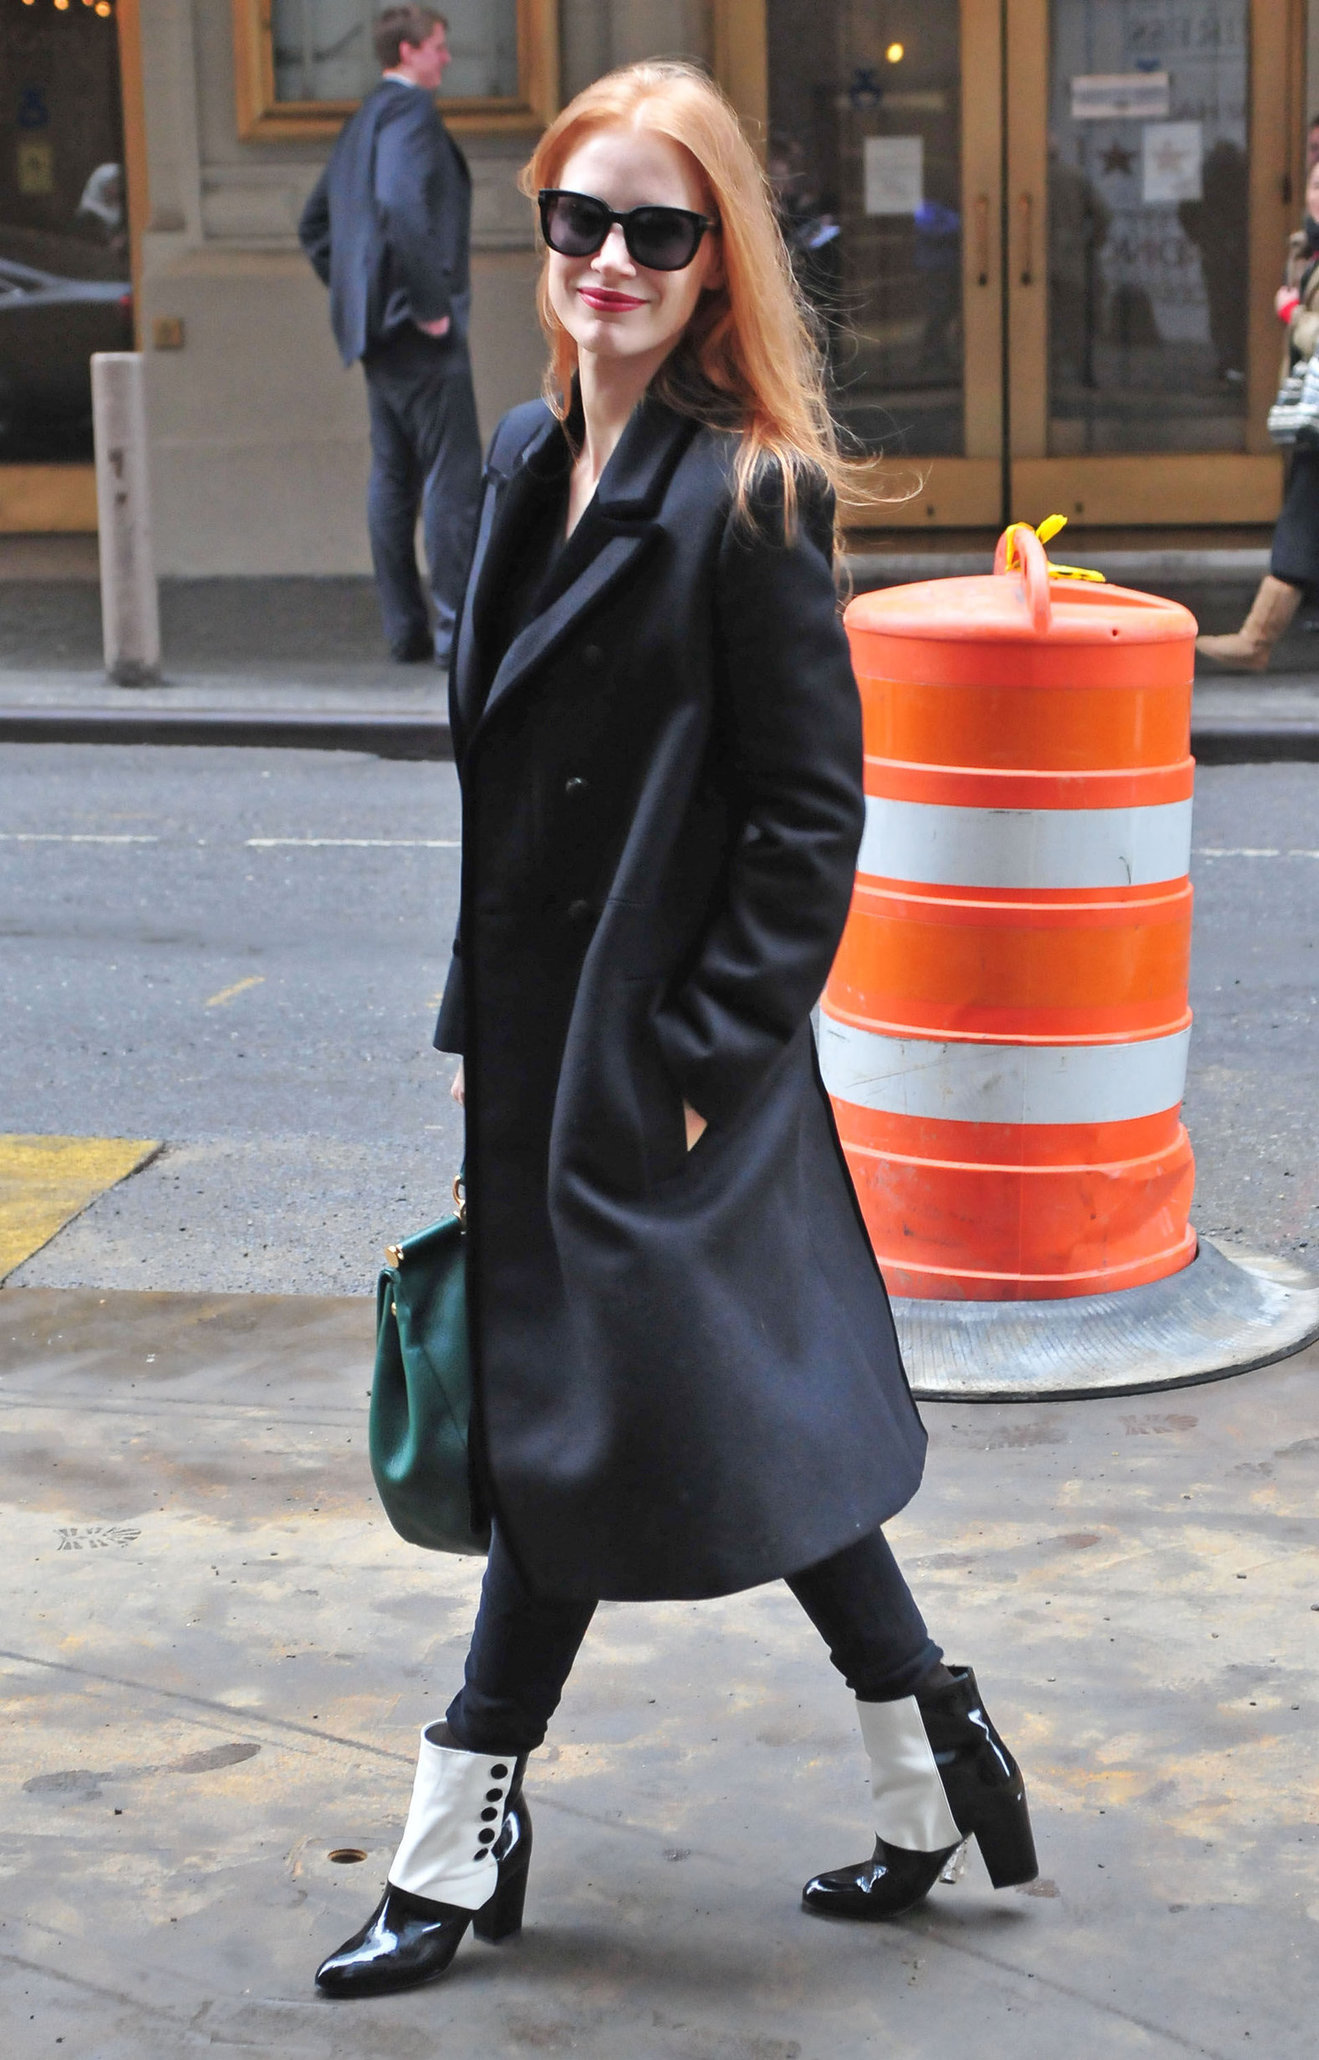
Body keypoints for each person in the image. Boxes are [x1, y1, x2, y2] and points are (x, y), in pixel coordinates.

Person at [314, 60, 1038, 2001]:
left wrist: (708, 1067)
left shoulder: (747, 495)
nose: (610, 260)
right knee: (695, 1418)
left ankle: (456, 1824)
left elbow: (809, 817)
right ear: (537, 236)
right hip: (544, 1063)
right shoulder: (515, 461)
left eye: (656, 228)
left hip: (664, 1075)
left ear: (714, 262)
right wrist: (482, 1024)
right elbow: (502, 791)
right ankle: (928, 1758)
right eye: (578, 221)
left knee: (584, 1429)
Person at [298, 6, 481, 667]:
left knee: (395, 474)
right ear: (408, 51)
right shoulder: (409, 115)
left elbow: (314, 227)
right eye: (438, 46)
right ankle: (455, 635)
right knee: (451, 474)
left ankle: (406, 631)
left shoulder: (361, 121)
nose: (446, 59)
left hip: (377, 331)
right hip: (416, 327)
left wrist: (360, 297)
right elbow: (400, 204)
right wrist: (427, 304)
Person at [1197, 155, 1319, 672]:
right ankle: (1256, 640)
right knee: (1302, 516)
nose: (1316, 194)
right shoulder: (1306, 250)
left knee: (1300, 518)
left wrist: (1294, 316)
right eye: (1314, 183)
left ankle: (1255, 641)